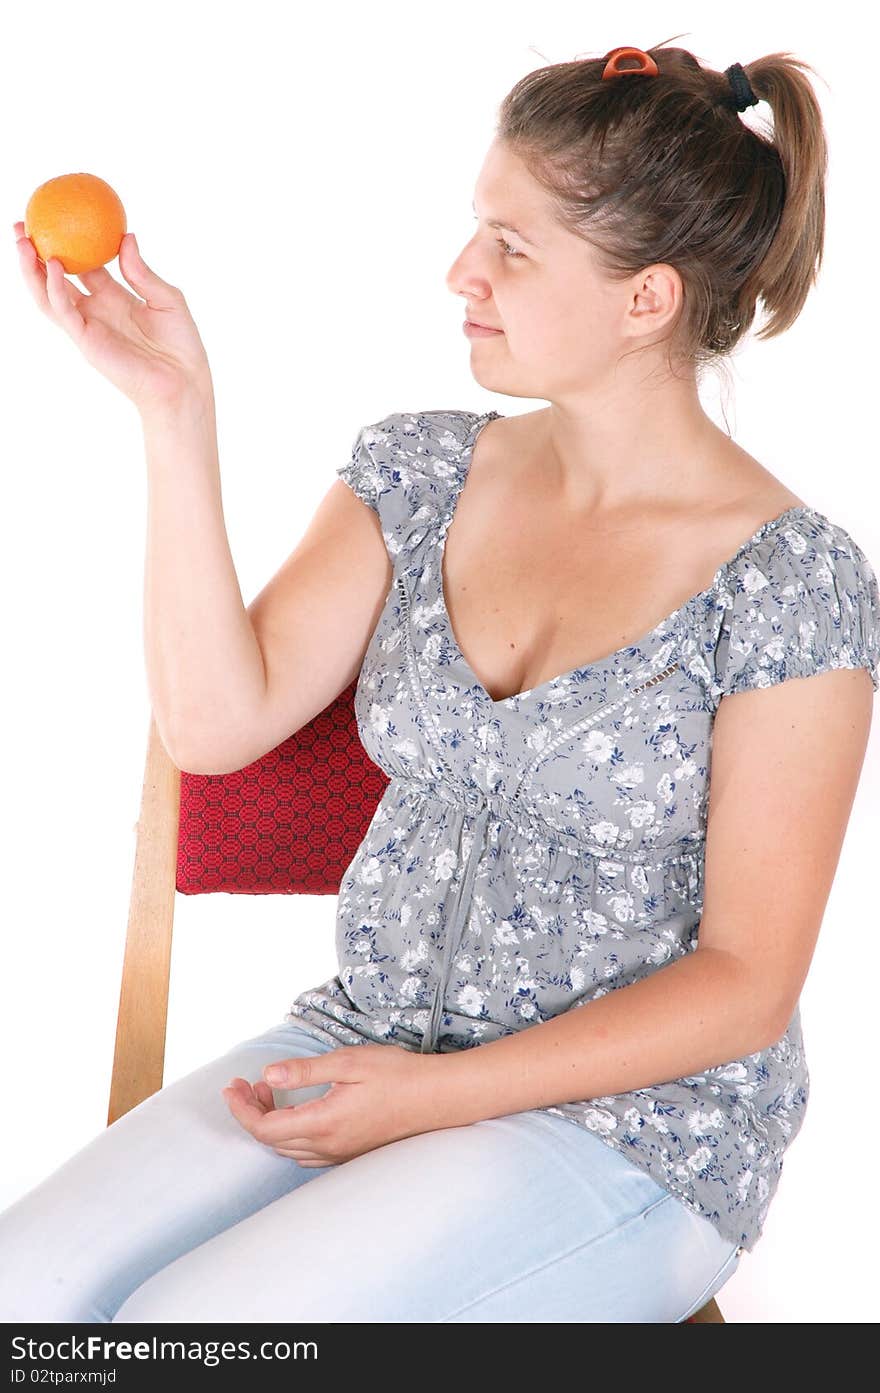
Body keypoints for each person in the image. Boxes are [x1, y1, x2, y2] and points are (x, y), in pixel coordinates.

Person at [3, 41, 878, 1324]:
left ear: (647, 300)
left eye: (512, 247)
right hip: (361, 1041)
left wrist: (431, 1100)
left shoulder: (790, 582)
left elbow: (746, 981)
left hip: (631, 1129)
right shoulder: (417, 472)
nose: (460, 274)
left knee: (200, 1339)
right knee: (25, 1297)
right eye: (479, 226)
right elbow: (213, 721)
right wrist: (173, 412)